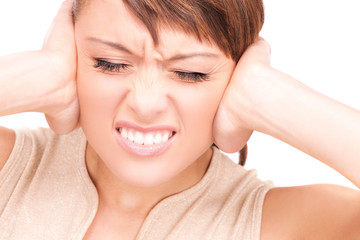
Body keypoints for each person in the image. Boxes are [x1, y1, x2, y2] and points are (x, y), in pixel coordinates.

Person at [0, 0, 359, 239]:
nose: (145, 103)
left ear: (239, 75)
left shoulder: (288, 224)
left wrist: (272, 99)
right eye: (110, 63)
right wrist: (38, 75)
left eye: (191, 73)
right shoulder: (10, 168)